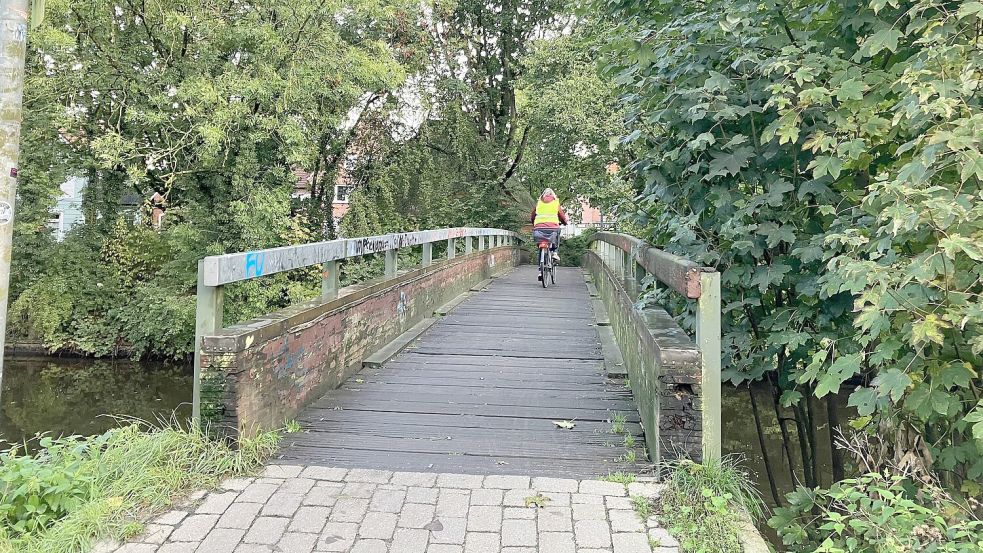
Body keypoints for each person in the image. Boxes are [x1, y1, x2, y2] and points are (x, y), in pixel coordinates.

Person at [530, 188, 568, 280]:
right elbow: (561, 215)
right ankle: (555, 252)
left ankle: (540, 271)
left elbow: (533, 216)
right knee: (557, 233)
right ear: (553, 195)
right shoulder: (555, 203)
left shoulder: (539, 203)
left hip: (539, 228)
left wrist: (534, 223)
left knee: (540, 247)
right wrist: (564, 222)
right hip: (552, 228)